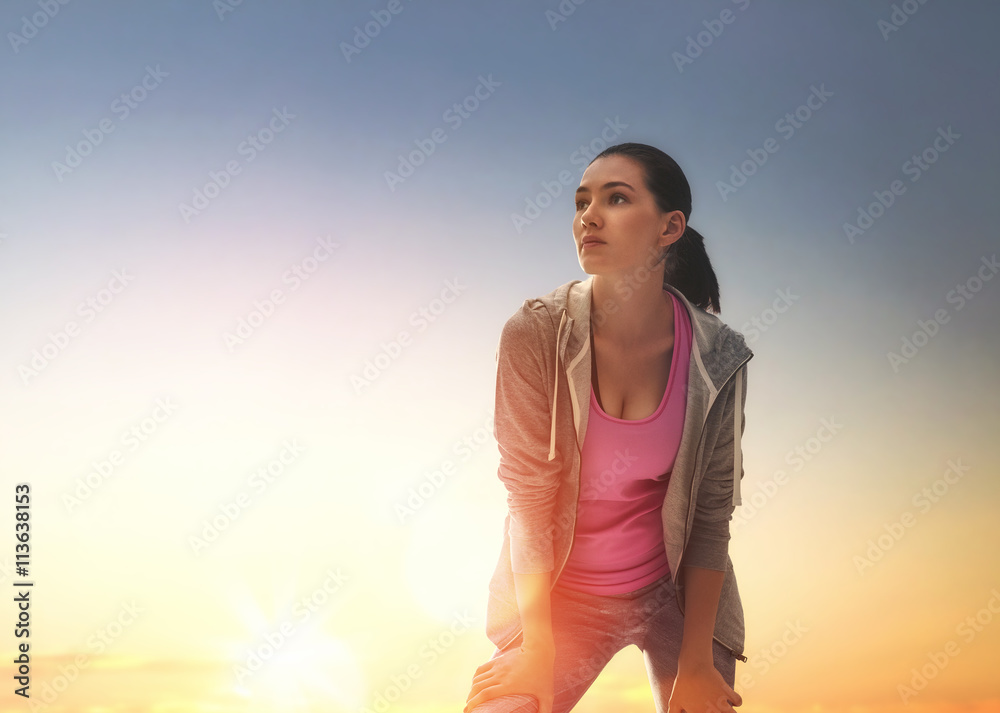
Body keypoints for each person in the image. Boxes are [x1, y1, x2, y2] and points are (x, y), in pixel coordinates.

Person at [464, 143, 753, 713]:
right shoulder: (534, 334)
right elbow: (529, 499)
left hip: (674, 599)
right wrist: (538, 650)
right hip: (558, 599)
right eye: (581, 202)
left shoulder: (720, 356)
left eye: (616, 199)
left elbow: (711, 515)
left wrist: (695, 665)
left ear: (670, 228)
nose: (587, 217)